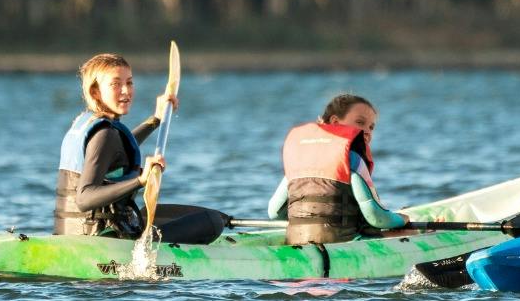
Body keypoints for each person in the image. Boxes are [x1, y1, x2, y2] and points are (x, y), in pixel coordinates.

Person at [55, 53, 227, 245]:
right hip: (105, 241)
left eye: (129, 83)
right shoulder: (104, 134)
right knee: (212, 221)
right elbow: (84, 199)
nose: (125, 91)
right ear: (95, 91)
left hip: (70, 235)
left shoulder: (85, 123)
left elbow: (119, 150)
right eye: (116, 84)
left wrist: (155, 120)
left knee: (149, 213)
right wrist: (141, 180)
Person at [268, 93, 409, 245]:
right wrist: (402, 219)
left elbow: (274, 213)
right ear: (335, 121)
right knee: (407, 232)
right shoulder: (353, 159)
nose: (367, 131)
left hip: (297, 240)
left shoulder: (299, 159)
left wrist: (310, 220)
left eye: (371, 127)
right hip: (344, 243)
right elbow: (377, 218)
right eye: (360, 122)